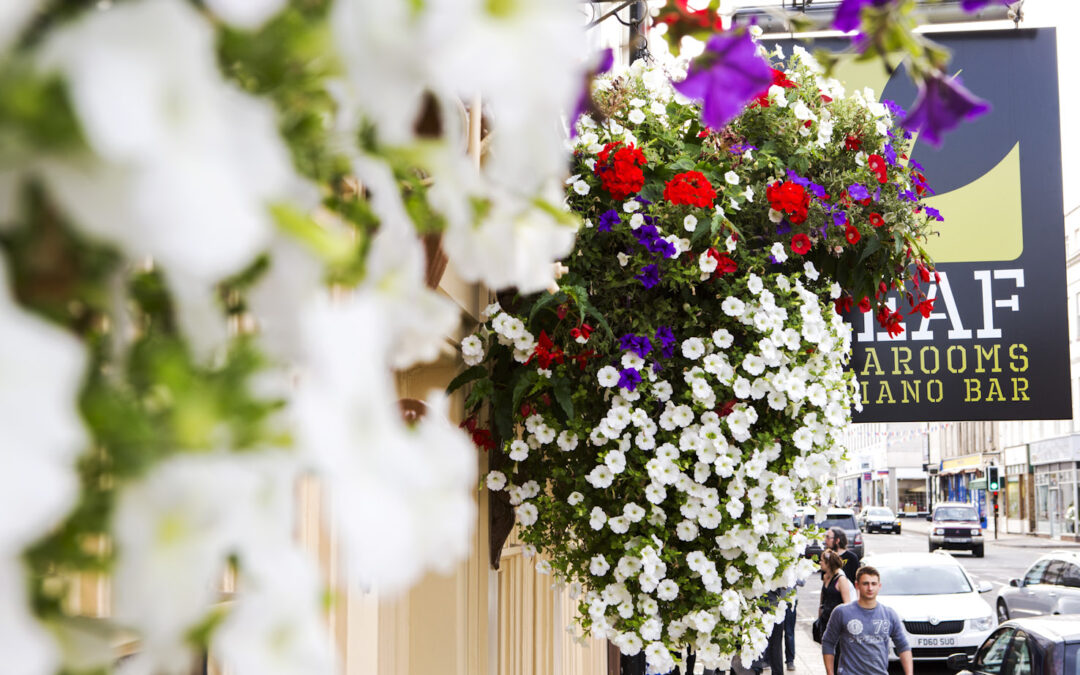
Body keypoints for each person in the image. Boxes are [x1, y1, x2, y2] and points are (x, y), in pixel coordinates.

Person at [821, 566, 913, 675]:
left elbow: (903, 646)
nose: (870, 588)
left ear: (879, 586)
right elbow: (828, 642)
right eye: (865, 583)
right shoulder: (842, 612)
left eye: (873, 584)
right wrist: (830, 673)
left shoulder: (889, 614)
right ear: (857, 585)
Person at [816, 549, 854, 645]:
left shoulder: (841, 580)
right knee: (826, 648)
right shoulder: (825, 577)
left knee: (836, 652)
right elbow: (823, 596)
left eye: (822, 561)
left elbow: (847, 604)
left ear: (829, 563)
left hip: (837, 622)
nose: (820, 563)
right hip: (825, 619)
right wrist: (820, 611)